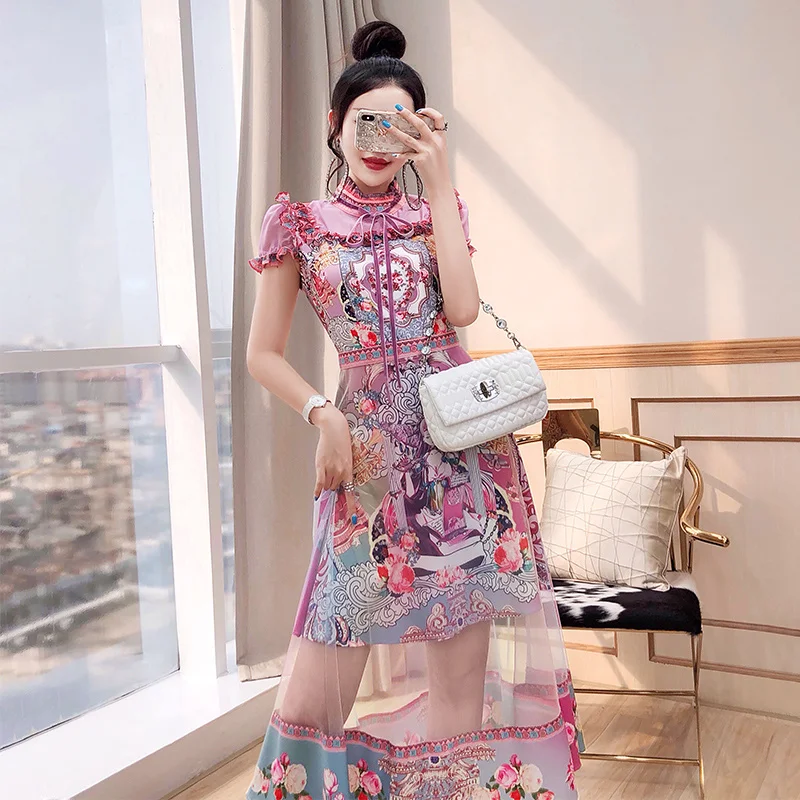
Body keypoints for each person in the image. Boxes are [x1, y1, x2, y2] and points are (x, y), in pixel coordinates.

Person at [244, 20, 583, 800]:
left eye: (398, 127)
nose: (379, 142)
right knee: (318, 685)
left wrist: (437, 182)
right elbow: (263, 354)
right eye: (365, 122)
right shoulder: (300, 226)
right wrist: (323, 413)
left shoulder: (437, 211)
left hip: (462, 462)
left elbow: (460, 311)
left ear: (419, 133)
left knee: (459, 694)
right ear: (335, 125)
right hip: (365, 463)